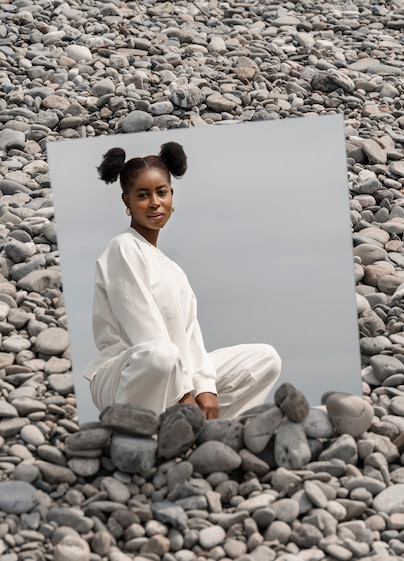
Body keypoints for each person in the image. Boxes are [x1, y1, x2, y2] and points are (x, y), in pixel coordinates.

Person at [83, 141, 281, 420]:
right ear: (127, 201)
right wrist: (184, 394)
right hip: (127, 376)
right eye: (142, 195)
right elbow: (143, 327)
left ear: (171, 195)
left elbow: (190, 336)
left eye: (161, 192)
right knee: (162, 355)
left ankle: (211, 431)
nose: (154, 203)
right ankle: (158, 424)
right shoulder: (123, 247)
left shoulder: (174, 269)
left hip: (176, 374)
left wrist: (204, 388)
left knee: (266, 359)